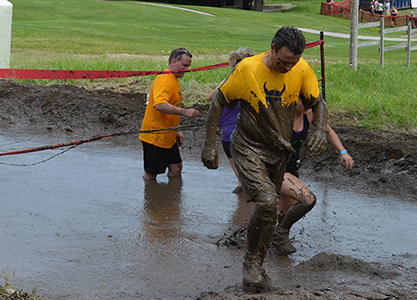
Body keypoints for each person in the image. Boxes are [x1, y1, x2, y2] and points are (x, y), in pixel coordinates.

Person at [201, 26, 328, 293]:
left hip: (278, 153)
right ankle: (251, 265)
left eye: (292, 63)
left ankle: (258, 265)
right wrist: (209, 146)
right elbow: (217, 103)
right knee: (268, 202)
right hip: (247, 146)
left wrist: (320, 131)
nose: (287, 68)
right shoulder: (247, 69)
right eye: (283, 62)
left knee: (269, 214)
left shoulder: (301, 69)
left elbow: (318, 103)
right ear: (272, 49)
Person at [271, 100, 354, 255]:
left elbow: (327, 131)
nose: (308, 105)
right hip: (275, 169)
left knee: (285, 212)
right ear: (293, 98)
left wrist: (343, 152)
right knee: (308, 199)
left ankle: (273, 242)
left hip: (292, 167)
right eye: (304, 101)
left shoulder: (308, 115)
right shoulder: (279, 114)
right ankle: (278, 235)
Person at [140, 48, 201, 180]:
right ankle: (152, 199)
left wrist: (176, 129)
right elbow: (160, 105)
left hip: (168, 134)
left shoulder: (173, 79)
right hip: (155, 136)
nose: (186, 69)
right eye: (184, 65)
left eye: (188, 66)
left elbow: (171, 105)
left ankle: (172, 199)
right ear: (174, 61)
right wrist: (185, 112)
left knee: (176, 167)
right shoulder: (165, 79)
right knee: (151, 174)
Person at [208, 48, 255, 192]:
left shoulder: (227, 81)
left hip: (229, 133)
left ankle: (242, 203)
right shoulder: (255, 82)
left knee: (242, 179)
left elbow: (210, 97)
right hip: (249, 132)